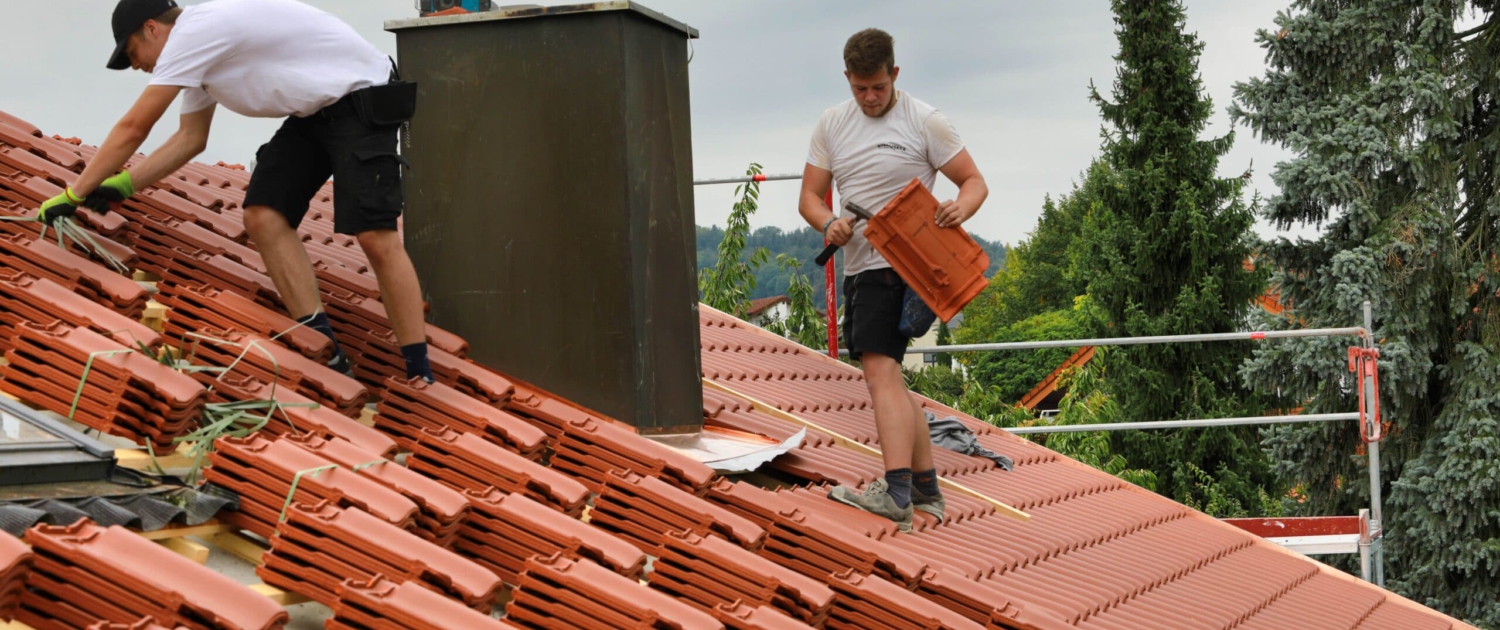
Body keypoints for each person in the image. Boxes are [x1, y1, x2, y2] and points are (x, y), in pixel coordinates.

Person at [37, 0, 433, 382]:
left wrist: (74, 194)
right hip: (315, 113)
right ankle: (325, 350)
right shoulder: (200, 52)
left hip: (363, 97)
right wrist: (122, 186)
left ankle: (419, 371)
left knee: (374, 235)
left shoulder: (194, 34)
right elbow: (191, 138)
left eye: (133, 52)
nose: (137, 65)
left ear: (152, 28)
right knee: (263, 213)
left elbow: (133, 128)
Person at [799, 28, 988, 531]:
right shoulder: (831, 125)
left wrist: (958, 208)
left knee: (879, 368)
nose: (869, 97)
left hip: (910, 263)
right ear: (848, 80)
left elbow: (974, 182)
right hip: (861, 262)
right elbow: (810, 198)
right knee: (892, 376)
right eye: (860, 88)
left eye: (878, 87)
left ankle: (896, 491)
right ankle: (925, 490)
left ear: (895, 75)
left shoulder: (925, 120)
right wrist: (828, 224)